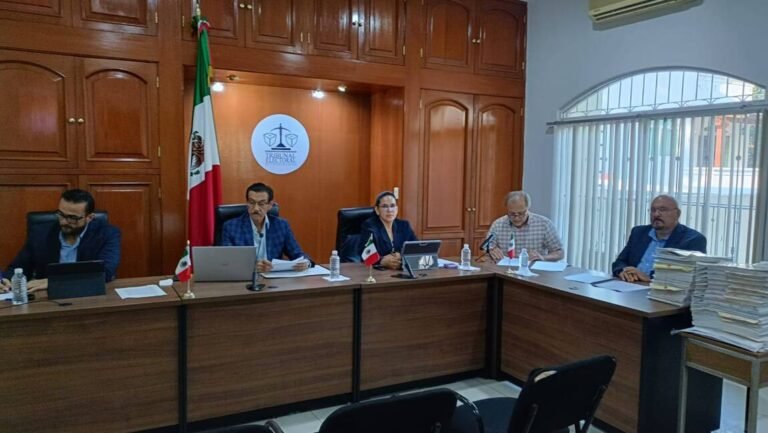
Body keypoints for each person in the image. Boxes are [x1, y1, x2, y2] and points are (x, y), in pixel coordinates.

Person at [0, 189, 121, 293]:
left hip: (88, 295)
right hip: (47, 298)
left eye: (72, 218)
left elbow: (106, 272)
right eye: (61, 214)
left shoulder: (108, 234)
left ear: (89, 217)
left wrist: (55, 281)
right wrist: (5, 280)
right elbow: (18, 267)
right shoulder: (40, 233)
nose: (64, 222)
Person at [612, 194, 706, 283]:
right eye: (653, 210)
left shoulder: (693, 240)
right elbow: (619, 262)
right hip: (631, 285)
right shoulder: (638, 232)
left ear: (677, 214)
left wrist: (649, 277)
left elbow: (689, 275)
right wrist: (623, 271)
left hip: (662, 292)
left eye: (663, 210)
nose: (656, 214)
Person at [220, 182, 311, 273]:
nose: (256, 208)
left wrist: (306, 263)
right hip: (244, 277)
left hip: (273, 278)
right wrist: (252, 266)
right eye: (252, 203)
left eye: (261, 204)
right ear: (247, 203)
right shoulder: (231, 227)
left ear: (270, 205)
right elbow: (227, 261)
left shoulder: (281, 225)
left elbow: (297, 253)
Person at [486, 191, 564, 263]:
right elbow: (487, 247)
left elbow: (560, 252)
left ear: (527, 209)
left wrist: (543, 257)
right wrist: (491, 250)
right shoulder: (498, 224)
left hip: (534, 270)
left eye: (521, 213)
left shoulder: (544, 224)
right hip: (505, 269)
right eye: (512, 214)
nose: (516, 218)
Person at [358, 191, 417, 270]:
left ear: (397, 209)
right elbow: (365, 253)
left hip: (401, 270)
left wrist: (401, 255)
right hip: (378, 273)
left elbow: (415, 248)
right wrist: (381, 261)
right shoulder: (370, 227)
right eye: (385, 206)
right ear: (377, 210)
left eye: (392, 206)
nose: (389, 210)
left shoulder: (404, 226)